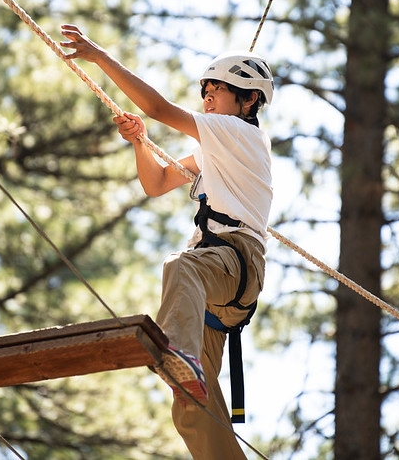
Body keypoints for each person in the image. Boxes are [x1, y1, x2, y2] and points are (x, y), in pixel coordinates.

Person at [60, 24, 273, 459]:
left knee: (181, 266)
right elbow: (156, 183)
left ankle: (180, 354)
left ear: (249, 100)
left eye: (219, 91)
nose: (208, 99)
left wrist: (100, 56)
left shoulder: (241, 134)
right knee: (189, 405)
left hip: (233, 261)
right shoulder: (216, 150)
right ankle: (188, 373)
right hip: (217, 290)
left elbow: (157, 107)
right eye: (206, 93)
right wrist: (140, 142)